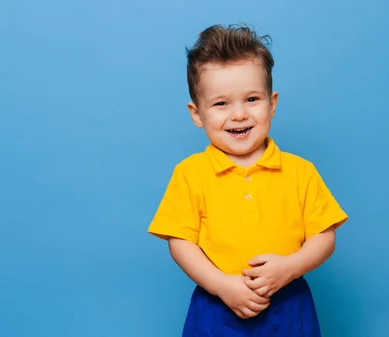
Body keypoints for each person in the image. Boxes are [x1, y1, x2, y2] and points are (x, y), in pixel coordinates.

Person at [147, 24, 349, 337]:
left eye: (252, 99)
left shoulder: (300, 171)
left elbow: (324, 237)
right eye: (220, 103)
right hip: (217, 306)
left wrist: (289, 268)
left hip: (288, 304)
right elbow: (181, 243)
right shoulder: (190, 173)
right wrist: (222, 285)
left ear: (272, 103)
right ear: (197, 113)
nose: (239, 114)